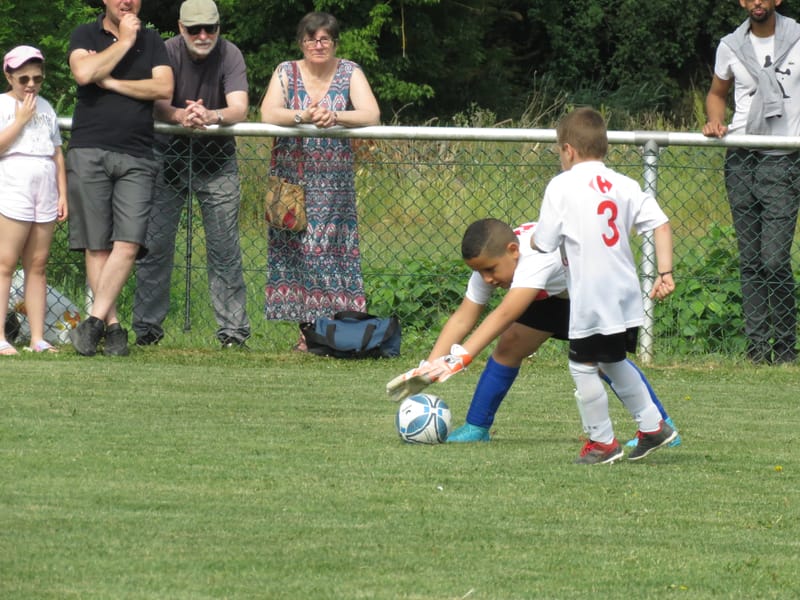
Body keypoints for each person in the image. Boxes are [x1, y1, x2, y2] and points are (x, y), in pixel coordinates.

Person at [387, 219, 680, 450]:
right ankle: (476, 428)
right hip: (559, 292)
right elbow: (464, 317)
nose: (487, 279)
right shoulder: (492, 261)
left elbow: (505, 313)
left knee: (604, 362)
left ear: (513, 251)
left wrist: (459, 359)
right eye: (480, 273)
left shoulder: (538, 257)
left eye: (490, 270)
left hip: (600, 289)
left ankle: (661, 425)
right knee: (510, 346)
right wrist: (430, 366)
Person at [531, 107, 677, 464]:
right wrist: (664, 272)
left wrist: (533, 241)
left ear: (568, 150)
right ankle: (653, 426)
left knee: (582, 365)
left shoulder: (561, 185)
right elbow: (660, 224)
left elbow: (545, 242)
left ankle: (602, 443)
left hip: (592, 293)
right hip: (624, 292)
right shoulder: (624, 184)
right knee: (612, 359)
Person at [132, 0, 251, 349]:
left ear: (218, 28)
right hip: (166, 158)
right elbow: (155, 100)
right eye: (194, 29)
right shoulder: (163, 50)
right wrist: (179, 117)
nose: (203, 35)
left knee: (225, 249)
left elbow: (239, 107)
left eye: (209, 28)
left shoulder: (231, 54)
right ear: (181, 28)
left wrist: (210, 116)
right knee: (154, 247)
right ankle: (147, 330)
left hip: (218, 164)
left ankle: (233, 334)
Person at [260, 11, 380, 351]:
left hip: (333, 181)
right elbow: (268, 113)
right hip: (290, 180)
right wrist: (304, 116)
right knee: (295, 252)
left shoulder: (349, 71)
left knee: (324, 251)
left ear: (334, 42)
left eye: (325, 38)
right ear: (302, 42)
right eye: (311, 38)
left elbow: (371, 113)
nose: (318, 44)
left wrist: (334, 115)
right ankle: (310, 331)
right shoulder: (286, 71)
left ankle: (329, 329)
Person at [66, 0, 173, 357]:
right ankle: (113, 329)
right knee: (96, 245)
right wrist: (124, 43)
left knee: (128, 242)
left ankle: (93, 322)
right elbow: (82, 74)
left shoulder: (154, 40)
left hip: (138, 153)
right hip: (89, 147)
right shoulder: (84, 33)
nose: (126, 1)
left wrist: (109, 80)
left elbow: (162, 89)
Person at [703, 0, 800, 365]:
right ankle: (758, 351)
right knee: (751, 261)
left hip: (784, 159)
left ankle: (787, 349)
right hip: (741, 157)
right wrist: (716, 121)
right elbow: (717, 93)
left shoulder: (797, 38)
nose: (757, 2)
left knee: (774, 259)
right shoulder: (730, 45)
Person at [0, 45, 68, 355]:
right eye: (24, 78)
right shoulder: (3, 105)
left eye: (36, 79)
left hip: (45, 188)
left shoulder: (47, 107)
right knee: (5, 263)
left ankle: (38, 338)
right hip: (14, 184)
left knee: (38, 264)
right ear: (9, 76)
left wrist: (62, 194)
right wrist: (21, 119)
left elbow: (56, 153)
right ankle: (1, 337)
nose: (30, 85)